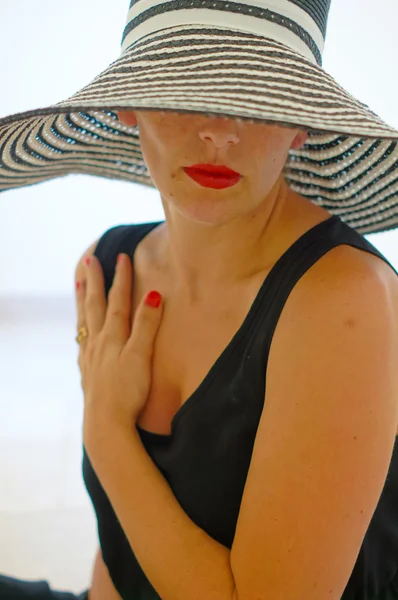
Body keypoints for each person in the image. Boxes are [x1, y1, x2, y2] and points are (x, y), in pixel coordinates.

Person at [1, 1, 398, 599]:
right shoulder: (110, 268)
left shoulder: (343, 300)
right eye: (186, 90)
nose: (219, 130)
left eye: (259, 98)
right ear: (128, 104)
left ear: (302, 124)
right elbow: (118, 549)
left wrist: (107, 434)